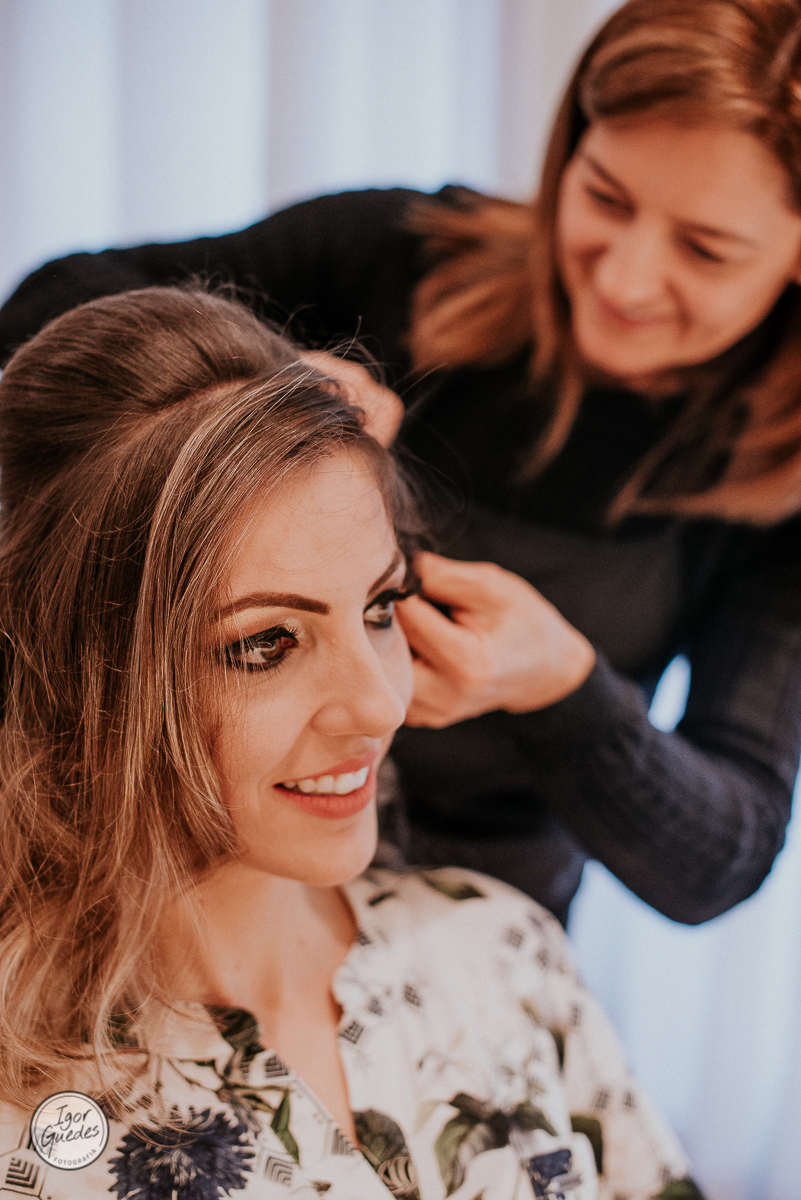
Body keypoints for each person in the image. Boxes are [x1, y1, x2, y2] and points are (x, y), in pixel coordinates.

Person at [4, 0, 801, 927]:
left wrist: (566, 690)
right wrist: (256, 374)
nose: (622, 279)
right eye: (604, 197)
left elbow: (717, 863)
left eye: (704, 249)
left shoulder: (779, 491)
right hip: (187, 869)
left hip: (460, 936)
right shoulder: (394, 253)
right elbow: (48, 314)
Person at [0, 286, 697, 1200]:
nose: (378, 706)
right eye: (264, 643)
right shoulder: (33, 1131)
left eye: (378, 608)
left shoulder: (502, 956)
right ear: (77, 675)